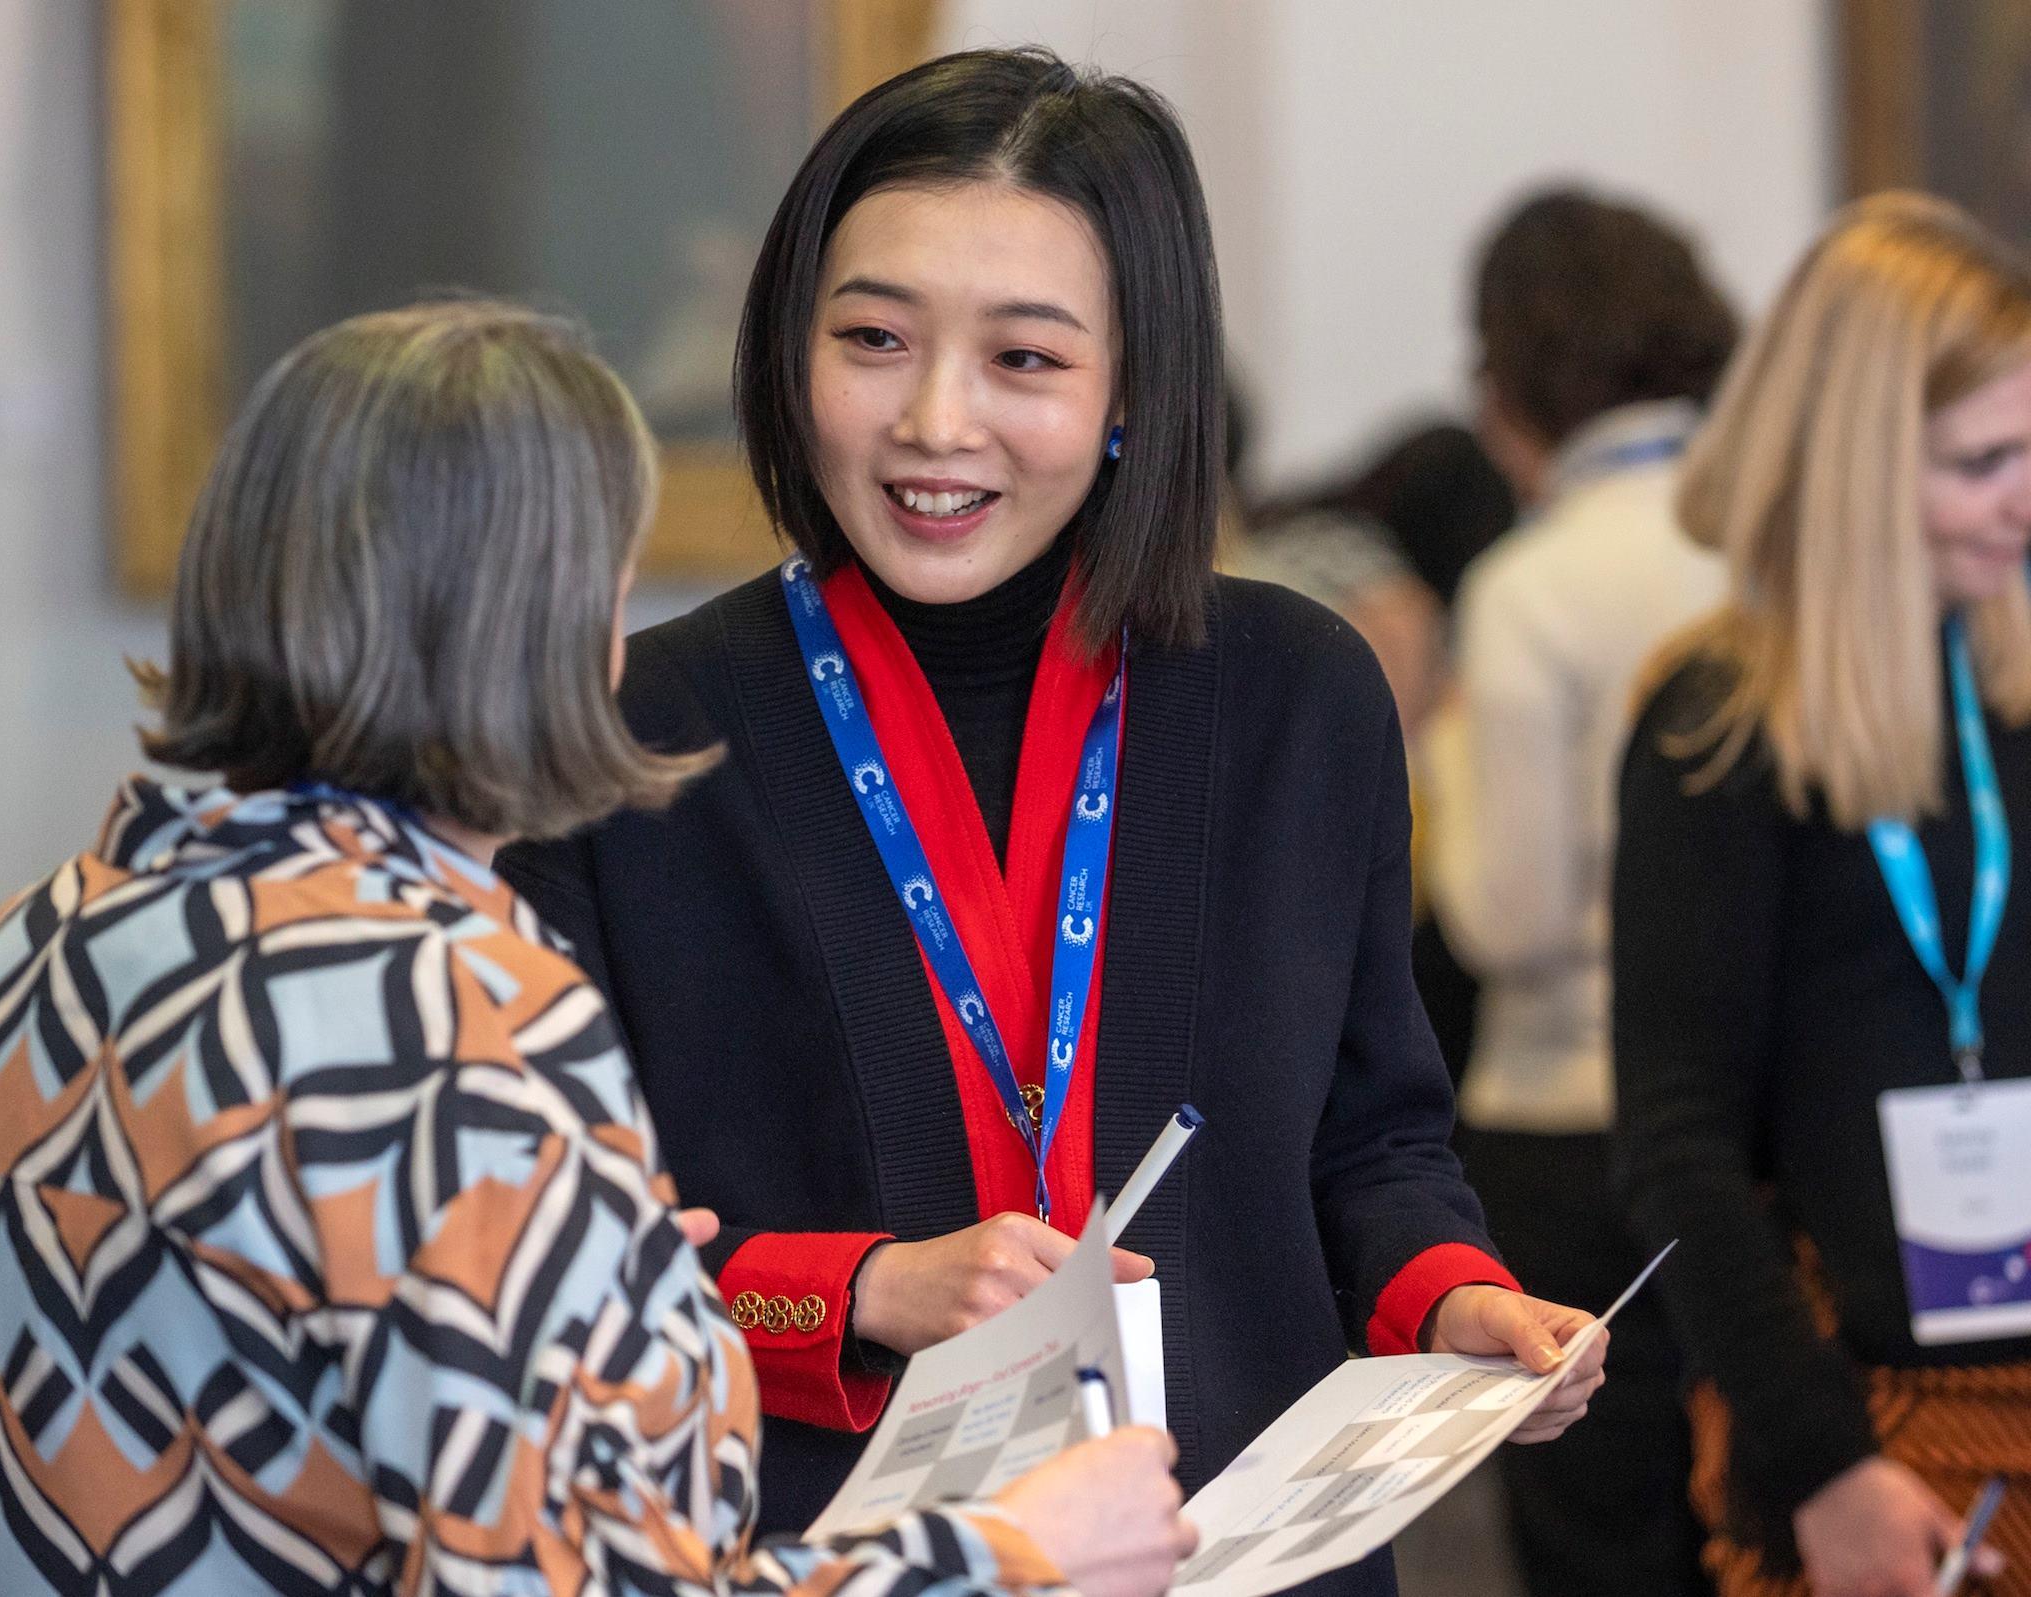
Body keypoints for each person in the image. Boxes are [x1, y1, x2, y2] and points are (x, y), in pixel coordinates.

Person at [500, 49, 1606, 1590]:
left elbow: (1374, 1136)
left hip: (1247, 1545)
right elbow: (560, 1248)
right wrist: (862, 1287)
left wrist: (1454, 1295)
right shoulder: (625, 736)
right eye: (874, 339)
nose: (935, 421)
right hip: (840, 1550)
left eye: (1024, 360)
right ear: (787, 350)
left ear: (1133, 390)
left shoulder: (1301, 695)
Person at [0, 300, 1192, 1597]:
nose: (616, 649)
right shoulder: (448, 1003)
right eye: (608, 591)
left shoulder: (22, 950)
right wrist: (1012, 1553)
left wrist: (608, 1285)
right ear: (530, 618)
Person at [1613, 192, 2031, 1597]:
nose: (2026, 496)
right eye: (1985, 460)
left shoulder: (2011, 687)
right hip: (1868, 1421)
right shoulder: (1720, 728)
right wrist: (1826, 1462)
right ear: (1858, 468)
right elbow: (1678, 1145)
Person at [1423, 187, 1738, 1597]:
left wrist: (1434, 767)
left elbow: (1508, 912)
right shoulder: (1771, 551)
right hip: (1752, 1115)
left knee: (1602, 1546)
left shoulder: (1530, 585)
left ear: (1511, 381)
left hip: (1567, 1122)